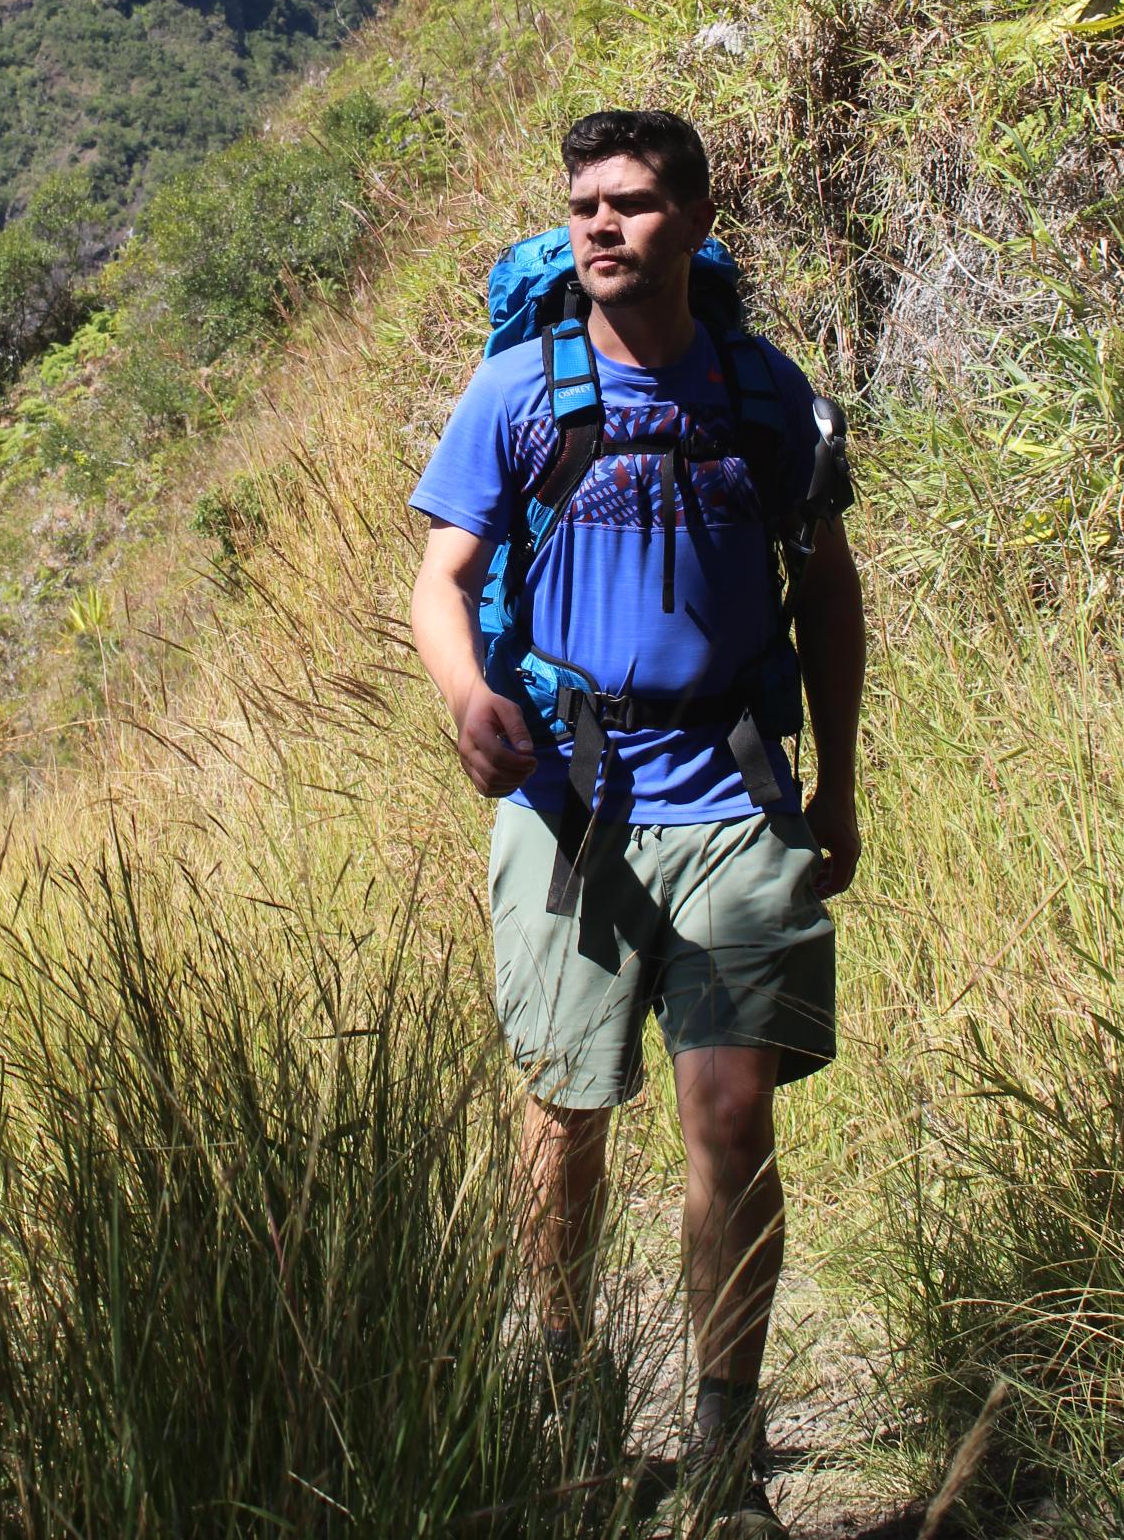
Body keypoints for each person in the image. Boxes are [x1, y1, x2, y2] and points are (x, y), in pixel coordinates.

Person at [409, 108, 865, 1535]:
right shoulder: (516, 389)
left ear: (691, 216)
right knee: (563, 1112)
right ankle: (567, 1389)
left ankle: (727, 1442)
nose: (597, 226)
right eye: (581, 205)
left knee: (728, 1111)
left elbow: (827, 586)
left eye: (628, 204)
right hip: (566, 801)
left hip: (729, 791)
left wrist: (839, 776)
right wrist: (465, 694)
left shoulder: (760, 392)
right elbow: (441, 573)